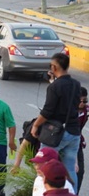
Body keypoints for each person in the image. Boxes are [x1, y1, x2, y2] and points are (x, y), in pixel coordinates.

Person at [31, 52, 82, 186]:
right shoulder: (76, 84)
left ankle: (45, 191)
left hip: (57, 133)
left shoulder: (54, 87)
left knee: (43, 165)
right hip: (74, 131)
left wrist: (35, 125)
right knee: (70, 168)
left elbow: (47, 111)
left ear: (54, 67)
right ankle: (71, 192)